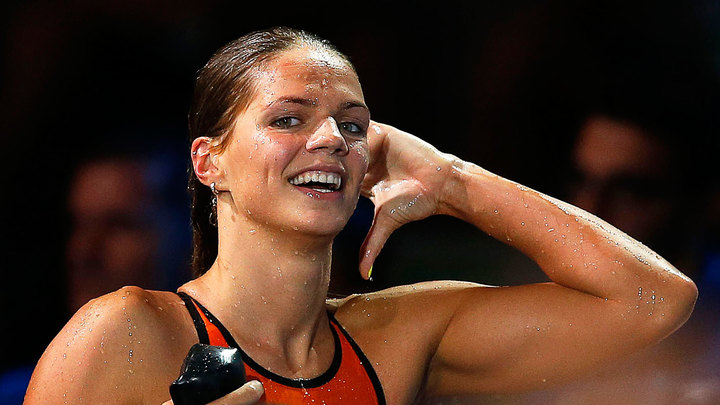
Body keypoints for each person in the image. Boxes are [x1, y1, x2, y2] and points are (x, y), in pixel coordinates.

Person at [24, 27, 697, 405]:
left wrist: (451, 179)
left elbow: (652, 300)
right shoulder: (125, 333)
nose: (331, 140)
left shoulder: (397, 340)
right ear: (209, 162)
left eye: (352, 125)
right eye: (289, 119)